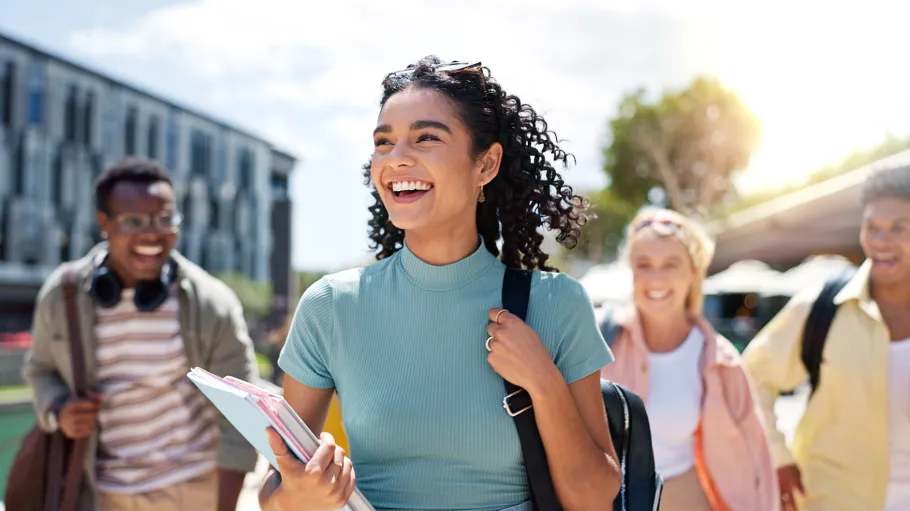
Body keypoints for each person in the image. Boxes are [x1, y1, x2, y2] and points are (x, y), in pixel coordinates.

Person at [259, 57, 620, 511]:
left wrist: (543, 383)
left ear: (486, 164)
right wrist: (299, 497)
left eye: (426, 137)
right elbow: (274, 495)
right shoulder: (331, 305)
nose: (397, 158)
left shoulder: (556, 302)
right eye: (383, 142)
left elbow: (593, 499)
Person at [22, 157, 259, 511]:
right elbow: (39, 369)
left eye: (165, 219)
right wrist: (58, 409)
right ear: (104, 223)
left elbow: (241, 416)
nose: (152, 233)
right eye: (134, 221)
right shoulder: (62, 294)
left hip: (193, 491)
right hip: (100, 494)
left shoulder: (214, 303)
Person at [743, 164, 910, 511]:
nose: (881, 242)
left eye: (899, 228)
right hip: (831, 499)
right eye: (872, 228)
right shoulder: (821, 307)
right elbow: (750, 377)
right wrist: (777, 456)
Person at [599, 208, 778, 511]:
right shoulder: (598, 339)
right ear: (631, 270)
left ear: (693, 272)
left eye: (671, 264)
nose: (656, 278)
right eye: (644, 264)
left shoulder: (720, 361)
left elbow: (756, 456)